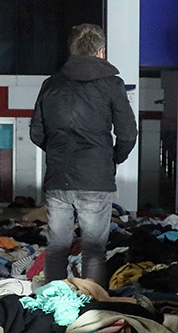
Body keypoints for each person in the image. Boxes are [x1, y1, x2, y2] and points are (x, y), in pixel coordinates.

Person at [30, 23, 139, 288]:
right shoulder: (112, 84)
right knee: (93, 249)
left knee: (57, 247)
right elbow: (128, 133)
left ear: (72, 50)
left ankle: (54, 304)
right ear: (101, 52)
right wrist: (113, 158)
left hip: (58, 178)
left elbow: (36, 132)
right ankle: (91, 309)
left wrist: (59, 151)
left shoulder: (50, 84)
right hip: (96, 178)